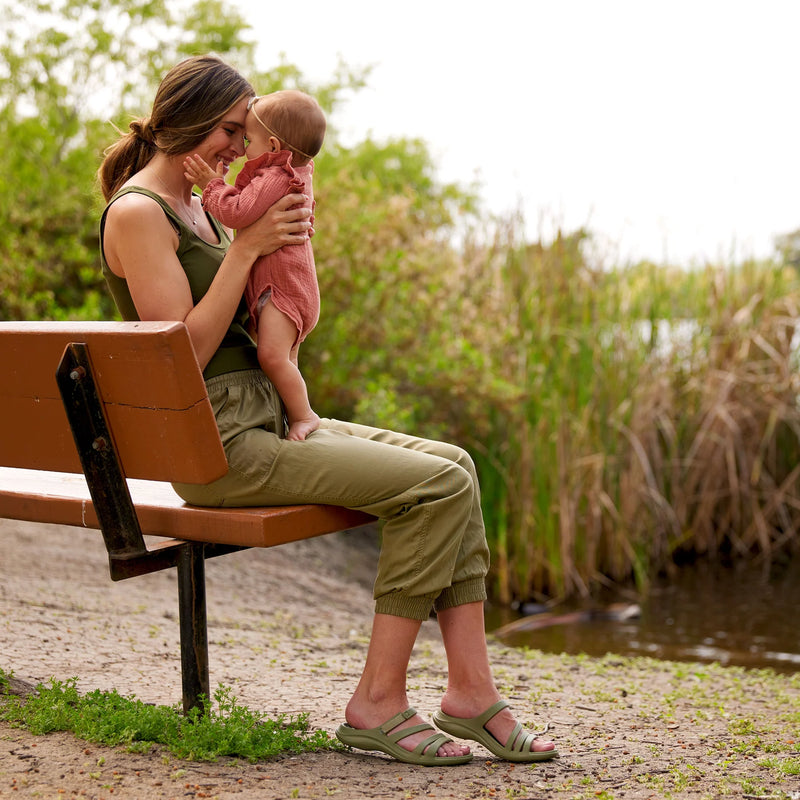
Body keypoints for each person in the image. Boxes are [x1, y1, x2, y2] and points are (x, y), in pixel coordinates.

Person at [97, 54, 558, 767]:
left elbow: (256, 305)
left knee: (454, 466)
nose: (241, 146)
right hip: (217, 447)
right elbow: (182, 351)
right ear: (184, 118)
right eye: (230, 130)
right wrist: (246, 247)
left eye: (243, 133)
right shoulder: (136, 212)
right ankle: (376, 703)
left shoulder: (200, 204)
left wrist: (277, 249)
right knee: (432, 488)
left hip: (258, 422)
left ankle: (471, 691)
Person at [182, 90, 326, 441]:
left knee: (272, 358)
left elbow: (237, 212)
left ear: (274, 147)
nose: (243, 149)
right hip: (293, 290)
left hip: (282, 292)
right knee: (282, 360)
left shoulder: (276, 177)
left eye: (247, 139)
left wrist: (211, 186)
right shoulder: (297, 172)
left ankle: (305, 416)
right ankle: (294, 416)